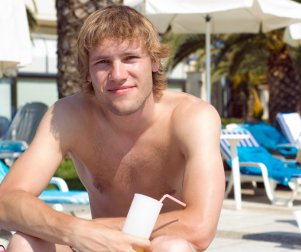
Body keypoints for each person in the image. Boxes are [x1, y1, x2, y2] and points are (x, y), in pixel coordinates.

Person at [0, 5, 225, 252]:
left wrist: (100, 232)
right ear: (87, 72)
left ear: (154, 62)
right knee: (24, 244)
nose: (117, 74)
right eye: (103, 62)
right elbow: (4, 202)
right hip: (92, 246)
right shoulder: (67, 116)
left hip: (155, 245)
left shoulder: (191, 117)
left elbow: (200, 227)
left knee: (174, 247)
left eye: (130, 58)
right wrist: (77, 231)